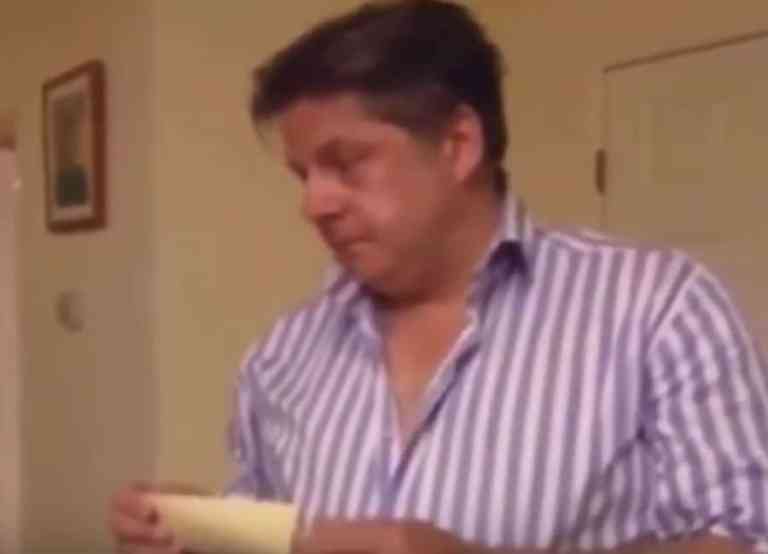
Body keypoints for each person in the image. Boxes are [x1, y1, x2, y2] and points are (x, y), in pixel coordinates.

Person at [109, 1, 768, 552]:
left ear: (458, 145)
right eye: (303, 175)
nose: (314, 203)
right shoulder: (280, 357)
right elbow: (278, 536)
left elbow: (742, 537)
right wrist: (201, 532)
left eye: (346, 163)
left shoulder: (658, 309)